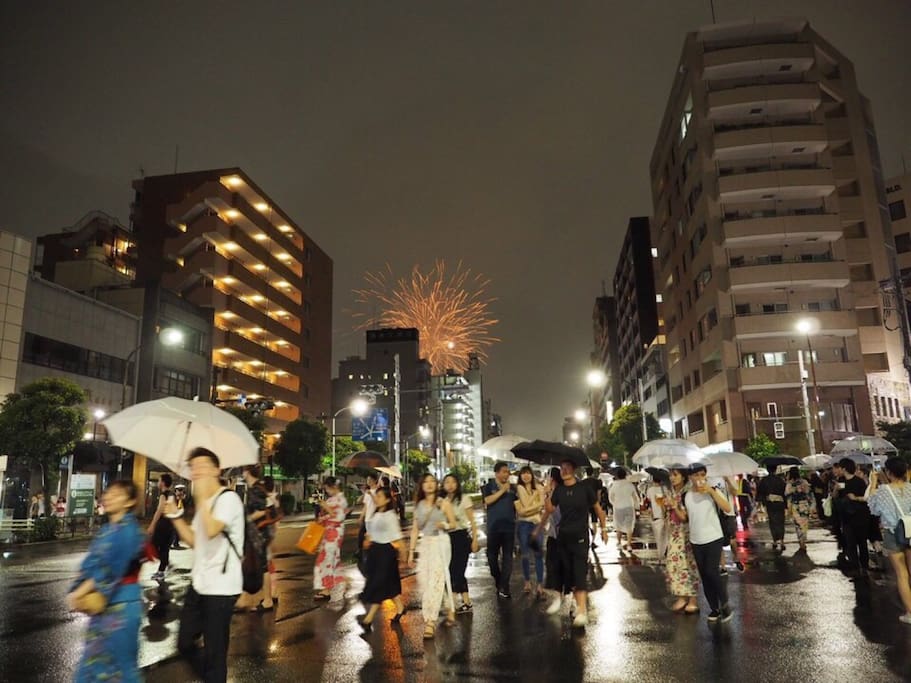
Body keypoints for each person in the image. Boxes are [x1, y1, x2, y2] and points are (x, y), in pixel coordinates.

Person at [167, 447, 245, 683]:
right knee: (184, 643)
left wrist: (199, 498)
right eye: (193, 468)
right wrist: (175, 517)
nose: (197, 472)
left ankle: (214, 677)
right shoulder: (206, 503)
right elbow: (194, 540)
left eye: (203, 466)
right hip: (200, 584)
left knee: (215, 652)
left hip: (221, 589)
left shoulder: (228, 499)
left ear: (217, 470)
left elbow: (211, 530)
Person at [68, 480, 146, 682]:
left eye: (117, 494)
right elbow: (90, 563)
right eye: (108, 493)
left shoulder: (129, 530)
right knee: (94, 664)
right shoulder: (107, 530)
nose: (109, 497)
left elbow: (108, 570)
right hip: (105, 608)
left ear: (130, 502)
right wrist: (78, 583)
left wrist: (79, 593)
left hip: (122, 608)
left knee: (121, 667)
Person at [543, 459, 609, 628]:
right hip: (563, 536)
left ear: (574, 469)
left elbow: (598, 509)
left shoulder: (584, 488)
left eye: (567, 467)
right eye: (562, 468)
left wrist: (603, 529)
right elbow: (550, 509)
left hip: (580, 537)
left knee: (579, 572)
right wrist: (547, 493)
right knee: (569, 571)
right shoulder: (559, 490)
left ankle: (582, 611)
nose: (564, 470)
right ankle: (574, 604)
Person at [671, 463, 733, 623]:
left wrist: (712, 491)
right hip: (696, 540)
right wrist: (674, 507)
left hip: (713, 537)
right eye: (695, 475)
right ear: (690, 477)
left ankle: (725, 604)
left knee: (712, 571)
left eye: (702, 475)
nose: (699, 478)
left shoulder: (712, 490)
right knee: (705, 575)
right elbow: (685, 517)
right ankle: (714, 608)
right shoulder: (686, 495)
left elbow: (727, 508)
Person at [408, 474, 457, 639]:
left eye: (432, 481)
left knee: (436, 580)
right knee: (424, 582)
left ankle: (430, 621)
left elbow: (453, 524)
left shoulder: (443, 503)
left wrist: (444, 524)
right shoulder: (419, 505)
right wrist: (411, 551)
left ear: (436, 485)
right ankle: (448, 606)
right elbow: (415, 529)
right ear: (421, 486)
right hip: (426, 545)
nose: (429, 484)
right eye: (425, 482)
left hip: (441, 543)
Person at [867, 458, 911, 624]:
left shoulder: (884, 491)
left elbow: (873, 509)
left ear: (888, 472)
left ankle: (910, 613)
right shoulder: (910, 488)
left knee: (902, 574)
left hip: (893, 534)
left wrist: (873, 483)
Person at [358, 486, 406, 631]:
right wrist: (367, 539)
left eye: (379, 496)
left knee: (378, 584)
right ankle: (400, 608)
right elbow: (371, 531)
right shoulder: (376, 513)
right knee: (389, 584)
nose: (377, 498)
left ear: (386, 499)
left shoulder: (390, 515)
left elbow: (397, 536)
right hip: (374, 552)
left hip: (386, 553)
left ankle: (368, 619)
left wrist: (404, 553)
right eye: (376, 496)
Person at [237, 465, 273, 611]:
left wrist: (247, 518)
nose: (242, 474)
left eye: (243, 471)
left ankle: (265, 600)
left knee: (261, 566)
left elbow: (262, 511)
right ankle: (251, 599)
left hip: (258, 535)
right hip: (258, 534)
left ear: (247, 472)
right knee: (258, 566)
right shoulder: (256, 488)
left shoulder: (256, 489)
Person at [665, 467, 700, 614]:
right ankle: (681, 596)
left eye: (675, 475)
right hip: (674, 533)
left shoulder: (687, 493)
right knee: (675, 565)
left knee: (688, 565)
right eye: (670, 475)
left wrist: (674, 506)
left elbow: (685, 517)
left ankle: (692, 600)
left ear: (684, 477)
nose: (672, 478)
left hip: (685, 534)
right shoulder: (674, 492)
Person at [443, 473, 479, 612]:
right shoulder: (443, 501)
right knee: (453, 570)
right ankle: (466, 602)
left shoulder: (464, 499)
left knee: (458, 570)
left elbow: (472, 522)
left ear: (457, 484)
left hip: (462, 538)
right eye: (447, 482)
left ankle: (453, 601)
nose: (450, 485)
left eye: (453, 482)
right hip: (448, 539)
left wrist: (475, 539)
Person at [482, 461, 518, 598]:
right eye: (504, 471)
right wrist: (503, 490)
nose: (506, 474)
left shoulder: (513, 489)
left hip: (509, 527)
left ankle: (505, 586)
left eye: (508, 472)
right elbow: (487, 501)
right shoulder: (488, 486)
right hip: (493, 527)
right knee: (492, 557)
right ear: (496, 473)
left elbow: (518, 505)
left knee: (508, 558)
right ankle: (499, 581)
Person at [313, 477, 350, 601]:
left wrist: (325, 507)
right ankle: (343, 582)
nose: (327, 491)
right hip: (328, 533)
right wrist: (322, 517)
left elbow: (339, 517)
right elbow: (328, 515)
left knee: (327, 560)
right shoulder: (333, 499)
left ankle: (326, 589)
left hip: (334, 533)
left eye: (328, 488)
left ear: (334, 487)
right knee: (331, 559)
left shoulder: (341, 499)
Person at [540, 467, 569, 615]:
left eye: (547, 477)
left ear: (552, 479)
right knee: (553, 567)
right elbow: (546, 514)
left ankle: (573, 603)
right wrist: (538, 529)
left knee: (567, 569)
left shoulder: (561, 493)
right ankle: (558, 598)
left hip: (565, 537)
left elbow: (553, 511)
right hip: (553, 536)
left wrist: (547, 495)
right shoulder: (551, 493)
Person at [514, 466, 545, 595]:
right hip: (523, 525)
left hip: (537, 525)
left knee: (538, 555)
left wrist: (531, 509)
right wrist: (537, 497)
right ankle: (527, 581)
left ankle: (539, 584)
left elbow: (531, 508)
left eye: (528, 473)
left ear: (532, 475)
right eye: (523, 474)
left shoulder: (539, 488)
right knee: (525, 555)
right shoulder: (520, 488)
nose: (526, 476)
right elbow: (526, 506)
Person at [839, 458, 872, 576]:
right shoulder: (840, 481)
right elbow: (836, 498)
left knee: (862, 542)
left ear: (844, 468)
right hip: (846, 517)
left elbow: (865, 499)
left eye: (840, 468)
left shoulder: (859, 482)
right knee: (850, 542)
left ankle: (864, 565)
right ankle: (855, 565)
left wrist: (854, 497)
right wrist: (835, 490)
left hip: (859, 516)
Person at [147, 473, 176, 581]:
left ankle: (165, 566)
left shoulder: (164, 495)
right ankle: (162, 570)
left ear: (163, 483)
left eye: (159, 481)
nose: (158, 483)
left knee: (153, 546)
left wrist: (152, 525)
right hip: (170, 525)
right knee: (164, 548)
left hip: (163, 524)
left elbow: (159, 511)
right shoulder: (172, 494)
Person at [608, 468, 639, 552]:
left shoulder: (614, 485)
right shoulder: (630, 484)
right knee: (629, 527)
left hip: (618, 508)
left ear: (617, 476)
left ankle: (619, 543)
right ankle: (629, 545)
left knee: (618, 526)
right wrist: (637, 506)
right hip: (629, 507)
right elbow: (635, 496)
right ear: (625, 475)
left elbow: (610, 497)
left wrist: (614, 503)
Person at [785, 467, 814, 552]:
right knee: (804, 524)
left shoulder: (790, 484)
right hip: (804, 505)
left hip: (795, 506)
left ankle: (801, 542)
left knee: (798, 525)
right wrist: (812, 505)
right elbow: (809, 494)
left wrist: (788, 508)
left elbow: (787, 496)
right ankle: (803, 541)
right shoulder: (804, 482)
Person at [758, 468, 787, 550]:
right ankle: (782, 541)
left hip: (770, 504)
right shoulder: (780, 480)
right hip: (780, 503)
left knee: (772, 522)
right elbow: (785, 492)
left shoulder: (764, 480)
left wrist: (763, 502)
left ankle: (775, 541)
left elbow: (760, 492)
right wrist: (786, 505)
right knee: (780, 521)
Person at [645, 475, 669, 563]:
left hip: (656, 516)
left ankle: (660, 556)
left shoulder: (650, 490)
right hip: (665, 516)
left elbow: (648, 502)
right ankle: (663, 553)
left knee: (658, 537)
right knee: (665, 536)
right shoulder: (665, 489)